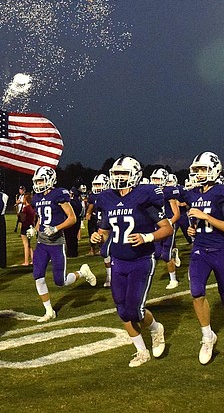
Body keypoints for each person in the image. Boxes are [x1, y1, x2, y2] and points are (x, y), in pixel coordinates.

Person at [91, 157, 173, 367]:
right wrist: (98, 236)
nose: (119, 178)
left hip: (141, 260)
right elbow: (104, 228)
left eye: (123, 174)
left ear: (134, 175)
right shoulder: (107, 198)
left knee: (135, 310)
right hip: (118, 260)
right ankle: (141, 351)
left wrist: (147, 237)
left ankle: (156, 329)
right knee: (122, 310)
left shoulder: (144, 196)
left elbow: (167, 228)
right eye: (116, 173)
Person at [185, 152, 224, 364]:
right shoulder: (194, 194)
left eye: (202, 169)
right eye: (197, 169)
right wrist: (192, 229)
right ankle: (207, 337)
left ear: (215, 169)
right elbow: (196, 223)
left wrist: (206, 216)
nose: (199, 173)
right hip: (200, 250)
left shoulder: (223, 192)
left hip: (220, 250)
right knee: (196, 291)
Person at [30, 166, 97, 322]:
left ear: (50, 180)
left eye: (41, 180)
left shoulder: (59, 194)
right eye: (37, 181)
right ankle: (49, 311)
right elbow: (41, 218)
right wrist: (35, 229)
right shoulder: (37, 198)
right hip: (41, 243)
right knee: (37, 276)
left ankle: (82, 272)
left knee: (60, 281)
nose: (39, 184)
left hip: (56, 243)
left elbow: (72, 218)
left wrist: (56, 228)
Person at [149, 168, 182, 289]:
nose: (156, 181)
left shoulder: (169, 192)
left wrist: (169, 223)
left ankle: (173, 279)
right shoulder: (150, 192)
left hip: (167, 225)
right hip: (156, 226)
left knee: (165, 255)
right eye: (154, 179)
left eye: (158, 178)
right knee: (156, 253)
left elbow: (177, 214)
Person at [86, 174, 111, 286]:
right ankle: (109, 276)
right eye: (95, 184)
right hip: (101, 225)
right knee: (105, 252)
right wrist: (88, 213)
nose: (97, 187)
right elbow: (91, 205)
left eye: (99, 184)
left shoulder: (111, 195)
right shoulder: (95, 197)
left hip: (112, 227)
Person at [63, 187, 84, 258]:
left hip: (72, 220)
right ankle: (72, 252)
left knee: (70, 237)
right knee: (72, 237)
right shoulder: (77, 201)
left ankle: (71, 252)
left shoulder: (73, 202)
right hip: (76, 220)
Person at [18, 193, 36, 265]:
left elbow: (22, 219)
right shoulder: (32, 208)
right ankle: (33, 259)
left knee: (25, 244)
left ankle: (26, 261)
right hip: (31, 226)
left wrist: (20, 215)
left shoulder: (25, 208)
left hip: (25, 227)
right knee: (29, 244)